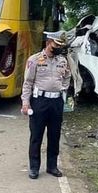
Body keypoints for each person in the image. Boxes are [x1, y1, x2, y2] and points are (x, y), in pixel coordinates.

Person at [21, 30, 71, 179]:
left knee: (54, 135)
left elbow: (67, 76)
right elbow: (27, 83)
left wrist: (62, 90)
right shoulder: (34, 59)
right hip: (39, 101)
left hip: (56, 101)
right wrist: (26, 102)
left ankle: (52, 166)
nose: (59, 47)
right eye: (56, 44)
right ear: (48, 43)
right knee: (36, 135)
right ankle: (34, 167)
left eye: (61, 45)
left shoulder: (62, 60)